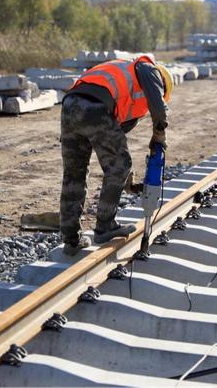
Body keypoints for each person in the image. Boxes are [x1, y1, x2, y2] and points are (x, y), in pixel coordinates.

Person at [59, 54, 173, 255]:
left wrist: (127, 180)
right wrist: (159, 135)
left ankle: (71, 239)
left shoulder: (121, 77)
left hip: (70, 105)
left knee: (74, 174)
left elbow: (115, 143)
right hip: (95, 107)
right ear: (162, 81)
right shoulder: (148, 68)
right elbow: (159, 109)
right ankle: (105, 226)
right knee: (118, 165)